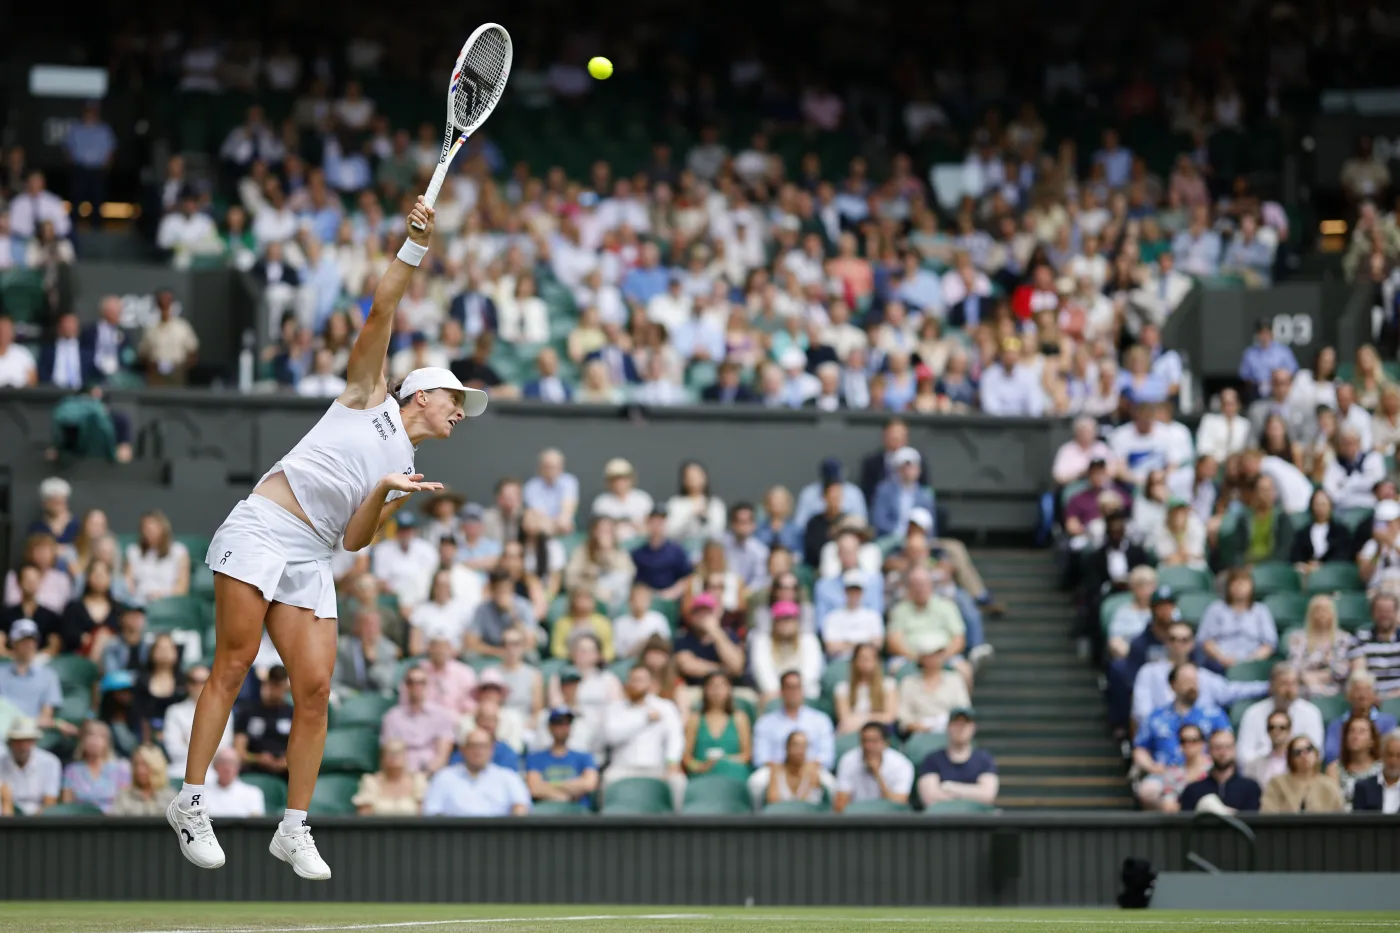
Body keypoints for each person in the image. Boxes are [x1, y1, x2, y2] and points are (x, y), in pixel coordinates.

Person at [165, 197, 488, 876]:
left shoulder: (406, 469)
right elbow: (381, 314)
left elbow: (355, 542)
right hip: (263, 528)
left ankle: (293, 826)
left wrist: (384, 493)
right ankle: (191, 800)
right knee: (234, 660)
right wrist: (414, 247)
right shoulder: (369, 395)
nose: (460, 411)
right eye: (453, 398)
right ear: (418, 396)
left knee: (316, 691)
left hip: (312, 554)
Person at [594, 665, 686, 810]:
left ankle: (678, 826)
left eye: (641, 680)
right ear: (627, 683)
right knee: (606, 780)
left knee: (678, 782)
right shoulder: (614, 708)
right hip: (622, 768)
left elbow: (675, 737)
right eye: (634, 680)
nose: (637, 684)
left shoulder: (665, 707)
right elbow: (611, 736)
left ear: (650, 683)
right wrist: (644, 719)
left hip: (657, 767)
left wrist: (672, 762)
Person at [422, 728, 531, 817]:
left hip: (498, 837)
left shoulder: (508, 777)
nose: (478, 751)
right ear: (463, 749)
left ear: (491, 749)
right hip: (454, 837)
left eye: (483, 746)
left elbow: (521, 807)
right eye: (473, 746)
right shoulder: (444, 777)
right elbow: (431, 811)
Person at [1236, 664, 1325, 769]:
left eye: (1294, 683)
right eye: (1284, 683)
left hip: (1297, 774)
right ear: (1272, 686)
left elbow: (1316, 752)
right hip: (1261, 774)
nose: (1290, 689)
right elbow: (1243, 755)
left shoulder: (1311, 713)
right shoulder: (1253, 713)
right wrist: (1273, 761)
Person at [915, 707, 999, 809]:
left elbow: (988, 795)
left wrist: (950, 787)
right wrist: (973, 793)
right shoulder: (932, 760)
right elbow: (930, 798)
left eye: (965, 724)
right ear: (948, 727)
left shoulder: (984, 760)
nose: (961, 728)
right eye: (956, 723)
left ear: (973, 728)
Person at [1197, 568, 1278, 671]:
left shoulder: (1261, 610)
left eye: (1244, 583)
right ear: (1228, 586)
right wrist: (1222, 658)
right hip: (1219, 665)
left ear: (1252, 586)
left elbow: (1269, 644)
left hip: (1253, 667)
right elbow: (1205, 641)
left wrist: (1252, 660)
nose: (1240, 587)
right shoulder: (1215, 609)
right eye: (1235, 583)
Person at [162, 666, 231, 783]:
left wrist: (188, 741)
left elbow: (224, 748)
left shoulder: (224, 711)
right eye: (194, 681)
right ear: (187, 685)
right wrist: (207, 745)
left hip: (214, 774)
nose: (198, 686)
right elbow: (174, 750)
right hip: (179, 770)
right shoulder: (174, 711)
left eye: (204, 681)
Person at [525, 709, 600, 810]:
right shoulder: (535, 758)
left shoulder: (584, 757)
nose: (563, 727)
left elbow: (589, 784)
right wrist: (566, 795)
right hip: (546, 812)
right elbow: (534, 788)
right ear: (550, 727)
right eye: (559, 723)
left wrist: (550, 785)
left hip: (578, 812)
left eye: (567, 723)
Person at [683, 671, 752, 781]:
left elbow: (747, 755)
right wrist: (700, 766)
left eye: (722, 686)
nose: (717, 691)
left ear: (729, 690)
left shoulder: (740, 718)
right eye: (712, 686)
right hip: (702, 773)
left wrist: (724, 760)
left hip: (733, 773)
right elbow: (686, 758)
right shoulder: (695, 719)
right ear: (705, 690)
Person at [832, 722, 913, 812]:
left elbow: (899, 804)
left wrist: (877, 774)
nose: (868, 746)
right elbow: (840, 805)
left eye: (874, 741)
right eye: (865, 741)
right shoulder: (848, 760)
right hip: (857, 817)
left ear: (886, 743)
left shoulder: (901, 765)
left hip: (889, 818)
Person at [897, 637, 972, 735]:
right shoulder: (908, 682)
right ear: (922, 657)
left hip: (950, 734)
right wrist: (920, 727)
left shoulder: (955, 679)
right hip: (918, 735)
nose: (936, 658)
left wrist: (949, 724)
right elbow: (904, 717)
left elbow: (963, 708)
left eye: (939, 653)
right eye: (932, 654)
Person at [1179, 729, 1262, 813]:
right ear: (1209, 751)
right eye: (1217, 748)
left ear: (1234, 750)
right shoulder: (1193, 790)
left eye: (1228, 747)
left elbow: (1254, 822)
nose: (1223, 752)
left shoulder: (1250, 788)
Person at [1286, 596, 1352, 699]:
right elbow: (1293, 667)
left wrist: (1317, 676)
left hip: (1334, 688)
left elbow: (1342, 671)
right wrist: (1305, 677)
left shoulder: (1343, 639)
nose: (1322, 614)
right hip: (1304, 686)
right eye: (1318, 611)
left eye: (1325, 610)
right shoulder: (1298, 638)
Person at [1324, 671, 1397, 764]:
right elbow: (1331, 755)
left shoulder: (1387, 722)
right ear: (1348, 695)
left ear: (1375, 695)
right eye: (1357, 690)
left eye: (1367, 690)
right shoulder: (1336, 725)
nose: (1362, 695)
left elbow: (1391, 752)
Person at [1260, 735, 1345, 813]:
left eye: (1308, 749)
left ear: (1316, 753)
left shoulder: (1329, 785)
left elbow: (1341, 819)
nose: (1304, 755)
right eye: (1297, 752)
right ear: (1290, 758)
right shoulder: (1277, 783)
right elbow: (1267, 815)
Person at [61, 720, 130, 813]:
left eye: (100, 736)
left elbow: (126, 803)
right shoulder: (71, 770)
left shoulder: (122, 768)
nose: (94, 741)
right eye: (90, 735)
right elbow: (67, 807)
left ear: (107, 742)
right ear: (83, 740)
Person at [833, 643, 898, 735]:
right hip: (851, 731)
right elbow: (845, 719)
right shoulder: (842, 688)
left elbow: (889, 717)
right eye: (862, 658)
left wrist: (862, 719)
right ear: (854, 661)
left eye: (869, 659)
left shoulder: (888, 685)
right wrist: (874, 718)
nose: (865, 662)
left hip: (878, 731)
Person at [0, 716, 60, 815]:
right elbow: (5, 801)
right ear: (10, 742)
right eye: (18, 741)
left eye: (27, 741)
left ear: (34, 741)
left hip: (38, 820)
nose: (23, 746)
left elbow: (49, 803)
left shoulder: (50, 762)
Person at [353, 738, 427, 816]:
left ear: (406, 756)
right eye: (389, 753)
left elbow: (423, 815)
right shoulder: (370, 781)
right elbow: (364, 817)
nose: (394, 756)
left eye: (399, 752)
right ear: (382, 758)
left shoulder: (418, 780)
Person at [1325, 715, 1382, 808]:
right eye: (1351, 731)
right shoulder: (1334, 769)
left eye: (1362, 732)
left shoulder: (1382, 768)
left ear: (1372, 740)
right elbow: (1332, 804)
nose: (1355, 736)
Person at [763, 731, 829, 808]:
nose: (800, 751)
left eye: (804, 746)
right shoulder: (776, 770)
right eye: (796, 745)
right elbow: (773, 802)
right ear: (787, 747)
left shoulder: (814, 771)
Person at [112, 744, 177, 816]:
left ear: (156, 767)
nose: (139, 770)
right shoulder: (124, 797)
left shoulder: (170, 797)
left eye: (145, 765)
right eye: (136, 764)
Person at [201, 747, 267, 818]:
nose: (227, 767)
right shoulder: (202, 793)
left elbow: (256, 823)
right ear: (215, 766)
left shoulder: (253, 793)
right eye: (223, 763)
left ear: (238, 767)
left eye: (232, 763)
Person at [1351, 729, 1400, 812]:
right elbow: (1357, 822)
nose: (1393, 761)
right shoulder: (1363, 788)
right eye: (1389, 755)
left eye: (1399, 756)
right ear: (1382, 755)